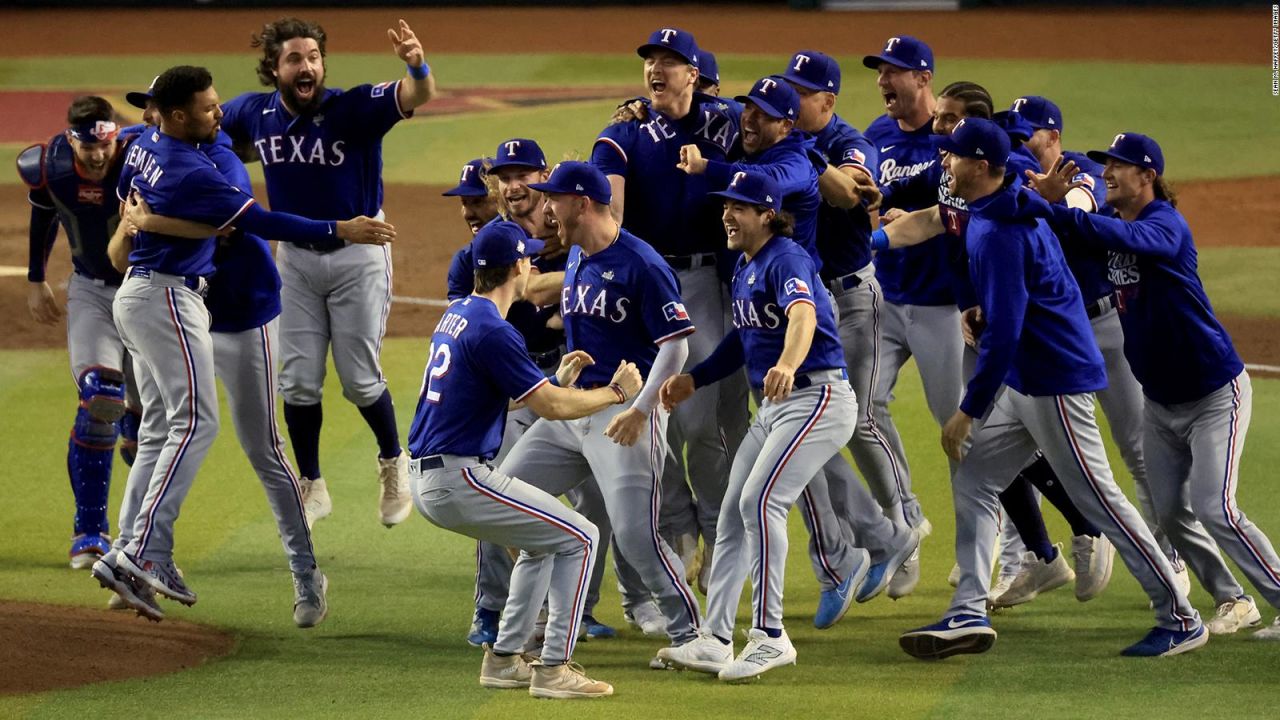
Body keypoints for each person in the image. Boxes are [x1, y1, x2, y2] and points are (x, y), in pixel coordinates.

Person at [885, 119, 1205, 660]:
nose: (945, 163)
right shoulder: (992, 208)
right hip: (1027, 379)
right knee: (976, 478)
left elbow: (1006, 332)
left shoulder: (1006, 231)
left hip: (1055, 379)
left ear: (983, 167)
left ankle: (1180, 616)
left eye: (954, 157)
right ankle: (967, 610)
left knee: (1100, 501)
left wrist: (969, 409)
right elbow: (968, 218)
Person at [89, 65, 392, 619]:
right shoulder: (157, 150)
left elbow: (251, 223)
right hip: (176, 306)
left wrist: (157, 222)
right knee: (176, 429)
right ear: (169, 116)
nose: (217, 112)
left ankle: (306, 577)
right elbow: (133, 234)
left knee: (263, 451)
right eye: (151, 108)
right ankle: (134, 557)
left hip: (243, 312)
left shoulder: (218, 160)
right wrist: (340, 229)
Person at [1032, 131, 1280, 640]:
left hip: (1215, 393)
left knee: (1217, 508)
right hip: (1160, 405)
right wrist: (1045, 207)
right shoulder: (1112, 227)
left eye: (1118, 167)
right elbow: (1064, 244)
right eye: (1104, 166)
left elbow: (1135, 241)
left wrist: (1070, 214)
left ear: (1147, 176)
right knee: (1169, 513)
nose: (1107, 174)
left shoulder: (1164, 223)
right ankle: (1233, 599)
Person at [408, 220, 642, 698]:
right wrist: (617, 393)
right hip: (457, 476)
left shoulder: (460, 314)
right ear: (517, 267)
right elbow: (553, 409)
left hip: (434, 475)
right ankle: (554, 669)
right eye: (528, 257)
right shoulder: (495, 330)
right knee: (582, 536)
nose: (533, 263)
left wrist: (551, 379)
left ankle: (502, 659)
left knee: (542, 541)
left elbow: (500, 393)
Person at [219, 17, 436, 529]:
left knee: (360, 380)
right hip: (294, 260)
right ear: (274, 68)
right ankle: (312, 483)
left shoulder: (351, 107)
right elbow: (208, 130)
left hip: (358, 257)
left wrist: (415, 64)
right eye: (295, 58)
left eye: (314, 56)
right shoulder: (253, 113)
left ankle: (392, 462)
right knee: (296, 382)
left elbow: (419, 93)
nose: (307, 65)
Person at [498, 161, 703, 667]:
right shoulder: (575, 255)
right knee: (506, 496)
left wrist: (641, 408)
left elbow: (676, 346)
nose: (547, 206)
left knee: (636, 537)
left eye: (555, 198)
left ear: (583, 203)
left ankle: (693, 634)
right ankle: (539, 620)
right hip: (575, 411)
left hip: (625, 419)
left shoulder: (642, 263)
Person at [656, 170, 859, 680]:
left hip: (818, 396)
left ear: (767, 214)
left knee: (760, 502)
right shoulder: (748, 265)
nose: (727, 214)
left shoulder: (785, 256)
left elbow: (803, 316)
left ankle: (770, 636)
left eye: (739, 207)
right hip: (778, 407)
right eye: (726, 206)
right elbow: (744, 339)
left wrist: (789, 363)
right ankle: (716, 639)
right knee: (731, 513)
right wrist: (696, 378)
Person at [592, 28, 746, 597]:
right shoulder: (624, 134)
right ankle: (681, 527)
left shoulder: (725, 122)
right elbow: (611, 208)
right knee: (650, 417)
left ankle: (718, 534)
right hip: (649, 283)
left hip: (710, 281)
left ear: (694, 74)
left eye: (669, 61)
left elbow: (766, 133)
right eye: (650, 61)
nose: (656, 69)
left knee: (703, 422)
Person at [779, 50, 923, 613]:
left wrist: (806, 154)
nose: (788, 103)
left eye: (799, 93)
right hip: (804, 305)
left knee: (857, 420)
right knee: (808, 430)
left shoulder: (847, 140)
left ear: (827, 101)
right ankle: (871, 540)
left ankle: (904, 524)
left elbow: (855, 188)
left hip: (853, 299)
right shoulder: (783, 140)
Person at [17, 96, 139, 569]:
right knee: (99, 398)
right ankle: (89, 531)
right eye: (88, 145)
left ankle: (136, 419)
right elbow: (43, 211)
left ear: (114, 136)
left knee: (155, 420)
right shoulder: (50, 167)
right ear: (72, 139)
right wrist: (36, 277)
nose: (97, 154)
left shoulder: (141, 158)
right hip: (91, 290)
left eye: (105, 143)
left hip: (146, 290)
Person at [860, 36, 957, 571]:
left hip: (944, 307)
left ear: (923, 78)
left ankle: (1000, 544)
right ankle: (903, 523)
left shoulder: (955, 135)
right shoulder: (876, 135)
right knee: (863, 410)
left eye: (892, 72)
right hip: (886, 297)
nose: (882, 82)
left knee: (960, 426)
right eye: (879, 73)